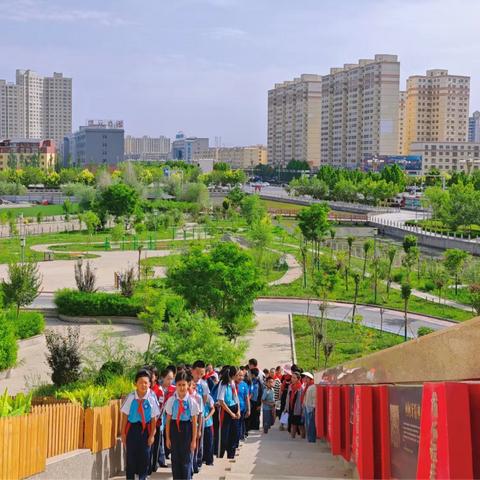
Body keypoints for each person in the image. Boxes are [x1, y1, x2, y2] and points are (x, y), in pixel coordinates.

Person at [121, 369, 160, 480]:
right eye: (140, 382)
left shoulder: (151, 398)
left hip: (146, 430)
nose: (143, 385)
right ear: (135, 383)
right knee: (131, 457)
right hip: (132, 429)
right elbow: (124, 416)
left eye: (146, 382)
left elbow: (154, 419)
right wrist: (123, 433)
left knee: (144, 456)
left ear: (150, 384)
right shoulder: (131, 397)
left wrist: (152, 435)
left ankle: (143, 478)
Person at [165, 370, 200, 480]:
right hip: (174, 430)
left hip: (187, 430)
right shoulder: (171, 400)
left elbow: (194, 423)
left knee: (186, 461)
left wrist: (194, 440)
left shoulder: (192, 402)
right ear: (175, 385)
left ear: (188, 385)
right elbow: (168, 421)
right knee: (175, 460)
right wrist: (167, 438)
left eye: (184, 385)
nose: (181, 388)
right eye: (179, 385)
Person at [217, 366, 240, 459]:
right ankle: (220, 455)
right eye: (237, 374)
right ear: (233, 375)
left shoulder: (233, 383)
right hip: (226, 411)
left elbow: (235, 397)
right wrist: (231, 413)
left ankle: (231, 455)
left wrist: (238, 410)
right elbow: (221, 401)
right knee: (224, 436)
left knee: (234, 435)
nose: (238, 376)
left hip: (234, 409)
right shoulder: (223, 384)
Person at [192, 360, 209, 472]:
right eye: (197, 372)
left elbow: (204, 399)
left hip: (199, 415)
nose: (199, 376)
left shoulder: (203, 384)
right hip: (188, 415)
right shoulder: (187, 382)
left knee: (199, 437)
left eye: (202, 373)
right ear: (192, 371)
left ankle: (198, 460)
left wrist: (200, 412)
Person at [285, 371, 305, 439]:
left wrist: (302, 410)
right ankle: (292, 438)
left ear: (298, 379)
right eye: (292, 377)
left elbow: (302, 400)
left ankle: (303, 438)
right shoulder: (290, 386)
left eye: (294, 378)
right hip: (291, 408)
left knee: (300, 426)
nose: (292, 379)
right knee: (293, 424)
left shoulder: (301, 388)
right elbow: (288, 398)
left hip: (298, 409)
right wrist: (286, 407)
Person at [235, 368, 250, 445]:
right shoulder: (232, 384)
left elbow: (246, 397)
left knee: (240, 424)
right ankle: (235, 441)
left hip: (242, 408)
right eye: (239, 375)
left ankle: (239, 439)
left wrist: (248, 409)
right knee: (235, 426)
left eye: (242, 376)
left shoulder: (244, 384)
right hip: (233, 409)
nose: (241, 377)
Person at [302, 372, 317, 443]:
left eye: (306, 377)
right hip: (307, 407)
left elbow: (314, 398)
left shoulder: (312, 387)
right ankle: (309, 438)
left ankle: (311, 439)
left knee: (310, 425)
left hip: (311, 408)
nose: (305, 379)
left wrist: (313, 407)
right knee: (308, 424)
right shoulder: (307, 386)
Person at [247, 368, 263, 432]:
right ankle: (250, 427)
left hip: (257, 402)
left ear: (253, 375)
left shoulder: (259, 382)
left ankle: (255, 428)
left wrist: (259, 404)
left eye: (250, 374)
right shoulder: (250, 381)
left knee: (256, 415)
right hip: (251, 401)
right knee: (251, 415)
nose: (249, 375)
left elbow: (261, 394)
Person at [202, 393, 215, 466]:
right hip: (199, 424)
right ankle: (202, 458)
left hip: (208, 424)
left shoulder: (208, 397)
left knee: (209, 442)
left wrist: (207, 417)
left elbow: (213, 409)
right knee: (201, 443)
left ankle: (209, 460)